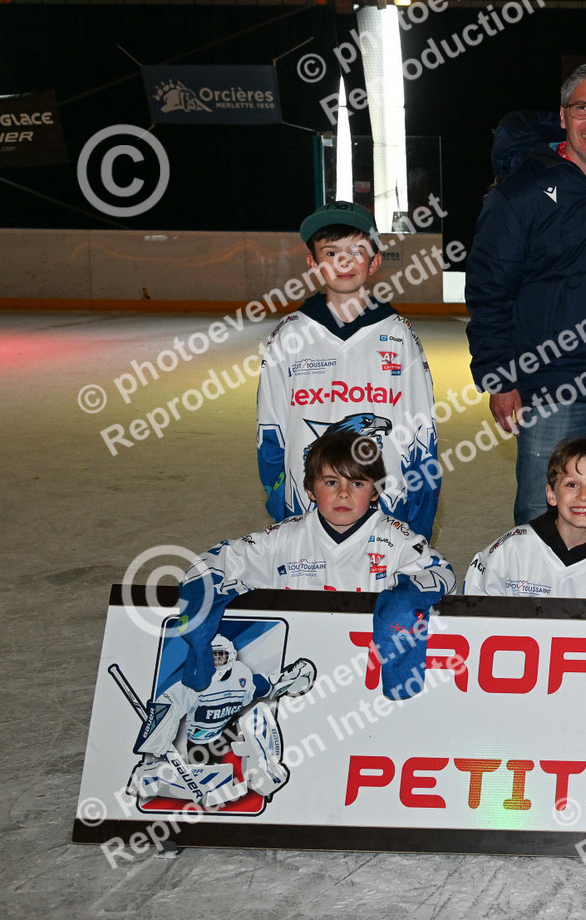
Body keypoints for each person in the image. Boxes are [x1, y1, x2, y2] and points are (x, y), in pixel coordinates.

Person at [466, 62, 586, 526]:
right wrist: (499, 378)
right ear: (562, 116)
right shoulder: (519, 194)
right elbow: (489, 291)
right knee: (543, 517)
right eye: (581, 108)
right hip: (554, 391)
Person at [175, 429, 455, 705]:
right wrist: (199, 626)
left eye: (357, 483)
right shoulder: (284, 537)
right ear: (310, 489)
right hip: (298, 679)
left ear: (375, 491)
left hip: (366, 681)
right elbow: (209, 565)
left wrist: (404, 601)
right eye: (331, 482)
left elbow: (441, 572)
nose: (343, 494)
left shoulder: (395, 536)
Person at [257, 201, 440, 539]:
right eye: (331, 253)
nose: (343, 262)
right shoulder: (288, 336)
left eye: (356, 251)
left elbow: (422, 434)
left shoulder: (399, 335)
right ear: (313, 263)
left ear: (374, 262)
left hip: (387, 513)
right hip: (308, 511)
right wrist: (283, 504)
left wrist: (417, 524)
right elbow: (271, 433)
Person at [127, 634, 316, 807]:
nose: (216, 661)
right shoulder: (194, 682)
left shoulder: (241, 675)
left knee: (258, 714)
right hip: (201, 745)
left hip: (228, 732)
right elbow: (167, 705)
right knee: (210, 781)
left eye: (220, 656)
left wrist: (286, 680)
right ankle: (148, 778)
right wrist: (158, 733)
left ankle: (265, 771)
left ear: (230, 656)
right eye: (211, 657)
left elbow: (261, 686)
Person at [465, 436, 586, 598]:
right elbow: (475, 601)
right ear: (551, 494)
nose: (583, 496)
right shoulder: (513, 547)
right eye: (572, 484)